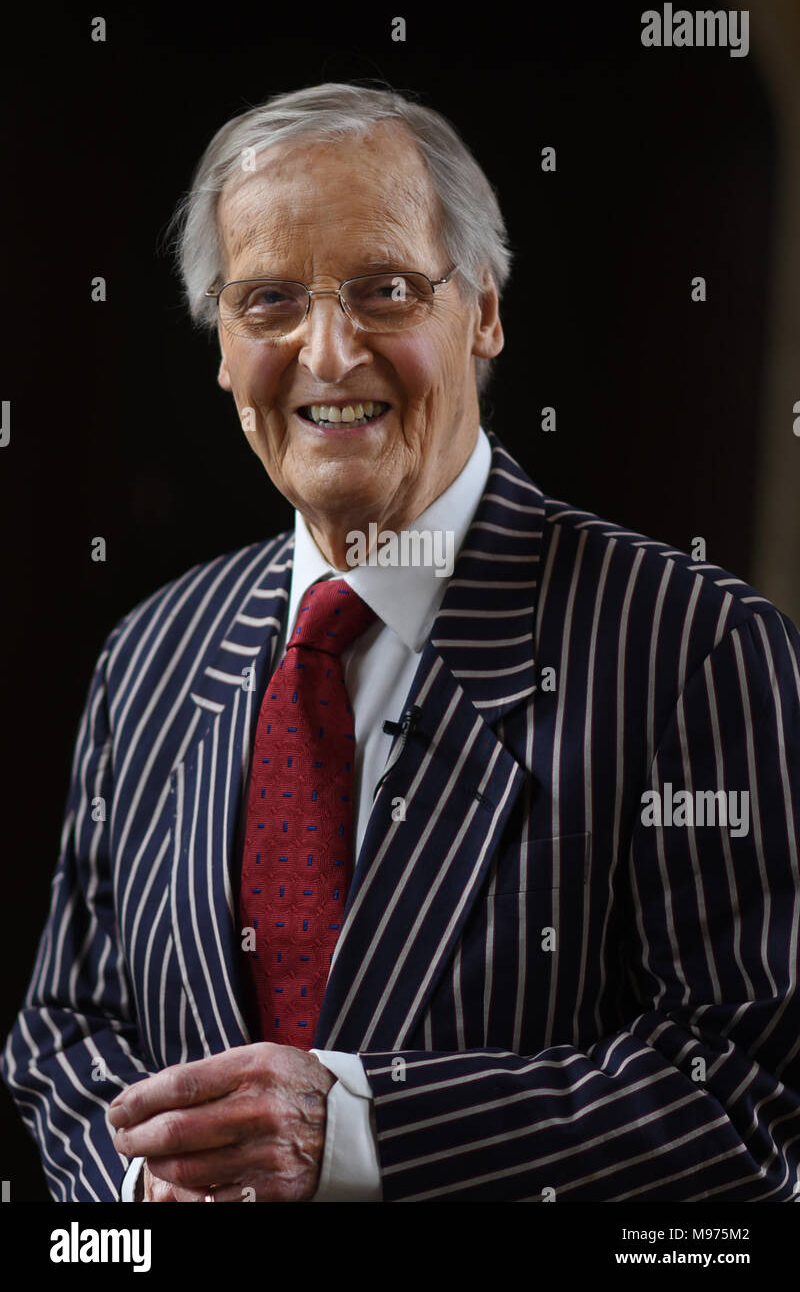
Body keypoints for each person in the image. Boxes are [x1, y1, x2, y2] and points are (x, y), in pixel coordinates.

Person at [4, 82, 800, 1203]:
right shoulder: (149, 652)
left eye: (382, 290)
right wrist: (144, 1188)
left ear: (482, 309)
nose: (326, 354)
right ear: (223, 347)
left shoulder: (693, 646)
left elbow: (743, 1103)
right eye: (269, 301)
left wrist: (352, 1139)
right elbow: (66, 1025)